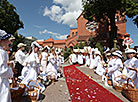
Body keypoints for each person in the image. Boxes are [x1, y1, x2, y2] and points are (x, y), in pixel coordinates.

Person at [0, 29, 14, 102]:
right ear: (1, 41)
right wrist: (11, 72)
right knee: (3, 97)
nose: (9, 42)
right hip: (2, 81)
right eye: (6, 39)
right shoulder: (1, 52)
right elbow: (2, 71)